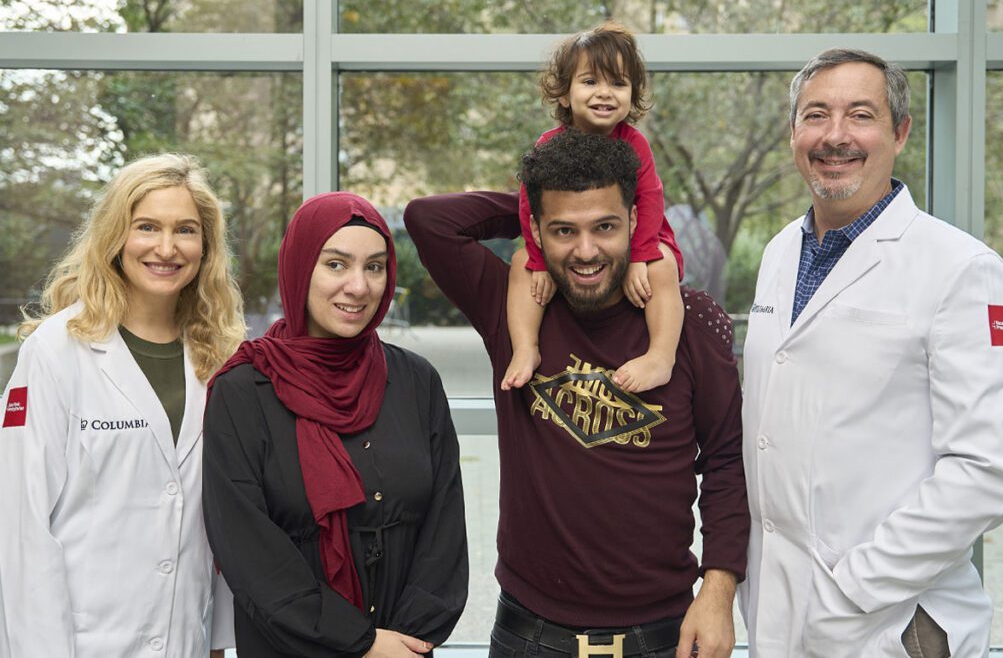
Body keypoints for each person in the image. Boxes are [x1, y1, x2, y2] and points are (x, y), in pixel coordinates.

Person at [405, 129, 748, 658]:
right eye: (563, 230)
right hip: (529, 638)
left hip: (663, 637)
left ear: (636, 221)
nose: (586, 251)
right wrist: (534, 199)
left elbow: (727, 460)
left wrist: (719, 591)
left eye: (605, 226)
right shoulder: (514, 308)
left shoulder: (687, 321)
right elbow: (429, 220)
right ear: (536, 232)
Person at [739, 48, 1003, 657]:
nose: (835, 136)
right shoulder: (778, 254)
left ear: (899, 133)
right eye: (816, 115)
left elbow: (987, 471)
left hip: (888, 620)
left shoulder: (963, 269)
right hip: (779, 607)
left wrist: (853, 588)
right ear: (794, 132)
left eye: (859, 115)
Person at [202, 191, 468, 657]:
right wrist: (360, 645)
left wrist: (407, 639)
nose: (359, 287)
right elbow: (246, 550)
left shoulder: (416, 381)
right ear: (300, 268)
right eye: (336, 264)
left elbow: (445, 532)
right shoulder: (244, 391)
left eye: (375, 266)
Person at [0, 153, 244, 657]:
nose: (166, 247)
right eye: (147, 227)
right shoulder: (55, 350)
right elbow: (20, 526)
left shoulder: (221, 357)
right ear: (116, 237)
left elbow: (226, 516)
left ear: (206, 246)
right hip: (81, 643)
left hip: (184, 641)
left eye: (186, 230)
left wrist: (219, 641)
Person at [502, 22, 685, 394]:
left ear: (632, 95)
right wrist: (539, 258)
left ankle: (660, 356)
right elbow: (529, 206)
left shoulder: (636, 145)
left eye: (618, 84)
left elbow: (649, 202)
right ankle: (525, 348)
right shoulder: (548, 145)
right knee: (521, 264)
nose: (605, 93)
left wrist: (640, 255)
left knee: (662, 265)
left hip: (640, 237)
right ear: (565, 94)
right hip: (571, 241)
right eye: (590, 82)